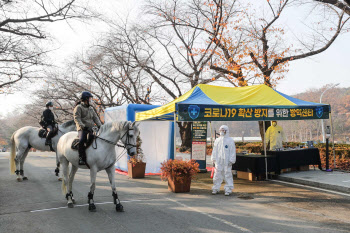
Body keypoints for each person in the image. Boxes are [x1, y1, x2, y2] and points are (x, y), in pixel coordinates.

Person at [73, 91, 102, 166]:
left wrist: (100, 126)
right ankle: (81, 158)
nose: (91, 100)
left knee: (96, 139)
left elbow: (96, 118)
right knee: (82, 140)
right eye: (90, 98)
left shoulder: (91, 108)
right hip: (82, 128)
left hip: (90, 128)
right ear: (86, 99)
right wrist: (83, 126)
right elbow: (77, 118)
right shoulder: (78, 107)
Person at [211, 125, 236, 196]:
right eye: (221, 130)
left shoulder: (230, 140)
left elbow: (232, 151)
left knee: (227, 174)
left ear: (226, 131)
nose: (222, 132)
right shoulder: (217, 140)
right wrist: (213, 159)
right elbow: (214, 150)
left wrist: (231, 160)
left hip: (227, 161)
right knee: (217, 175)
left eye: (223, 130)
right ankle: (215, 188)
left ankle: (228, 189)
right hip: (219, 161)